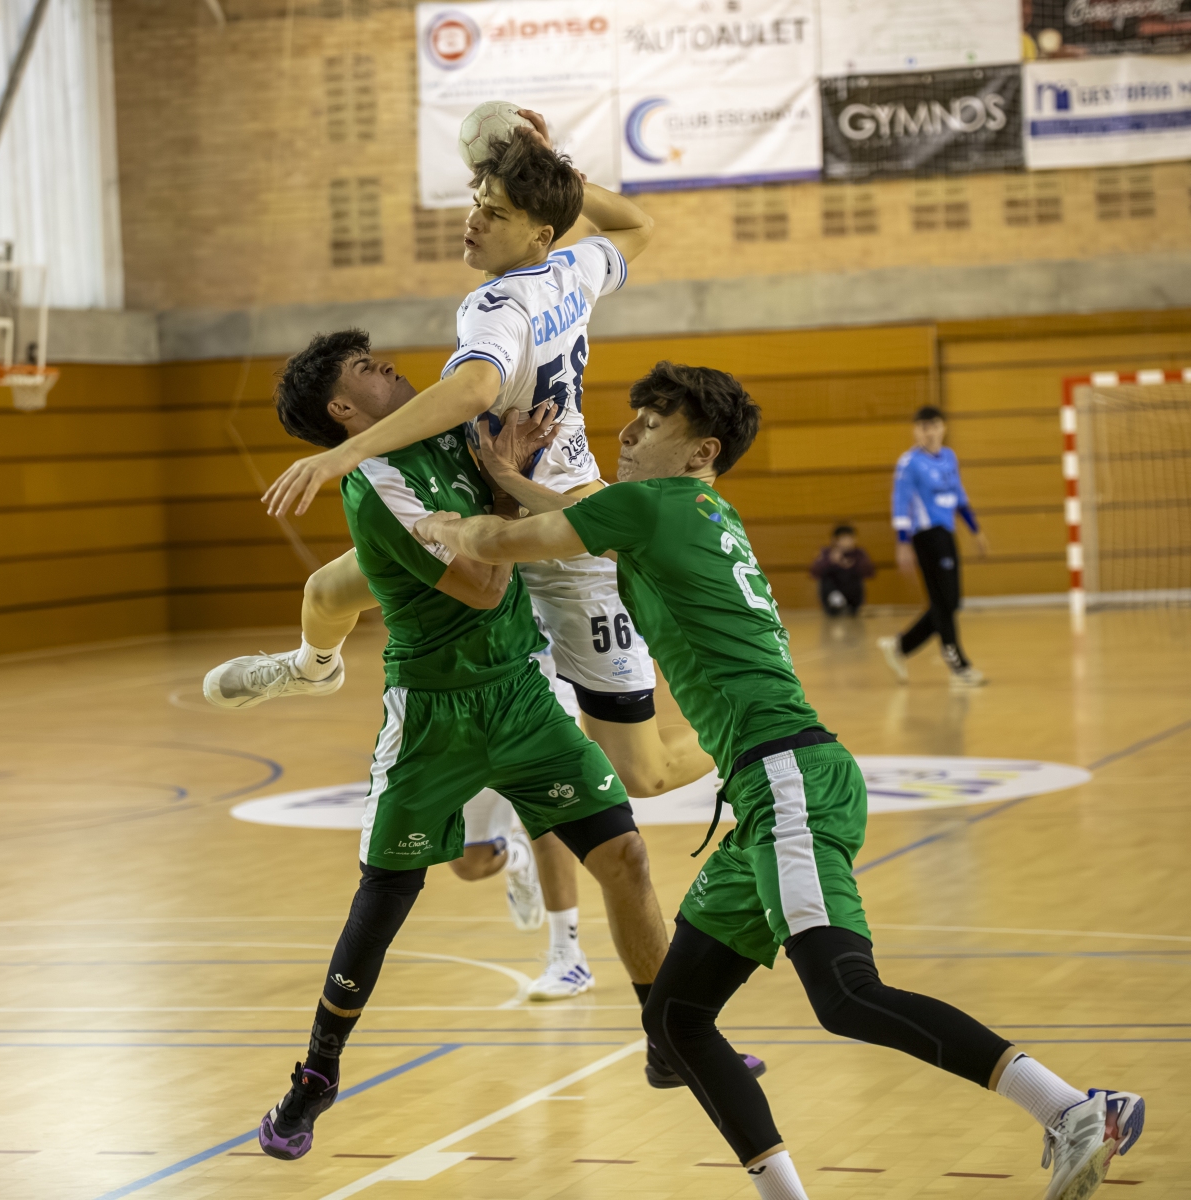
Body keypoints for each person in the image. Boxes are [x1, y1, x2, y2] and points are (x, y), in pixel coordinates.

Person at [414, 361, 1146, 1200]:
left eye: (653, 421)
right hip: (772, 786)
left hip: (788, 780)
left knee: (845, 995)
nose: (628, 431)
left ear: (702, 450)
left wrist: (431, 520)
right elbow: (576, 518)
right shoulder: (693, 509)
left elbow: (498, 543)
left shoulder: (648, 508)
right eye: (634, 415)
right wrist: (508, 478)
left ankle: (1073, 1109)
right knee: (677, 1019)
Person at [254, 338, 760, 1165]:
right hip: (435, 713)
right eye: (366, 371)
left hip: (521, 692)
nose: (388, 366)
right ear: (343, 412)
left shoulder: (444, 430)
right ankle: (317, 1073)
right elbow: (487, 584)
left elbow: (513, 454)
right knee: (386, 900)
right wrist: (501, 483)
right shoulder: (376, 481)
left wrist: (524, 463)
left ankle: (669, 1039)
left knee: (626, 854)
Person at [879, 405, 989, 687]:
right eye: (923, 427)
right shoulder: (909, 463)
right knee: (944, 603)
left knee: (949, 602)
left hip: (946, 534)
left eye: (934, 426)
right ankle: (959, 666)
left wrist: (976, 531)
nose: (929, 432)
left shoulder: (949, 457)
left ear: (943, 428)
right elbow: (900, 502)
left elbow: (959, 497)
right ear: (916, 431)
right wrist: (902, 542)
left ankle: (900, 646)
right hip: (926, 536)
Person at [809, 523, 874, 616]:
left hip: (853, 595)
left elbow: (870, 572)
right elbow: (814, 573)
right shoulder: (827, 553)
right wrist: (831, 561)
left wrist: (853, 565)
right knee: (827, 578)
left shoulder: (859, 554)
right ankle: (835, 601)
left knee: (853, 577)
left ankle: (850, 604)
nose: (847, 542)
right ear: (835, 540)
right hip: (832, 596)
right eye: (844, 539)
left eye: (850, 538)